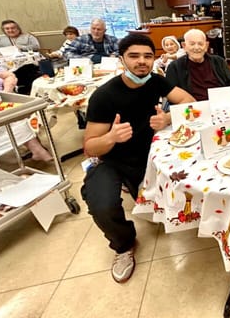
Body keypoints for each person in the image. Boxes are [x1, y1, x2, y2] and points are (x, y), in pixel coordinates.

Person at [81, 33, 195, 283]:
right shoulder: (104, 96)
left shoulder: (156, 81)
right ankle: (123, 246)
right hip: (113, 160)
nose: (141, 61)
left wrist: (168, 118)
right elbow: (90, 147)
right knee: (102, 205)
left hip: (154, 155)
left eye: (147, 56)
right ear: (121, 59)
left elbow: (189, 102)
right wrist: (111, 137)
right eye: (134, 56)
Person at [0, 58, 52, 168]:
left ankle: (37, 150)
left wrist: (6, 94)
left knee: (15, 114)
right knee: (5, 116)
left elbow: (9, 76)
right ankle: (37, 150)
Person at [165, 29, 230, 101]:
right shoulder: (174, 67)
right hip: (192, 108)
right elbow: (172, 97)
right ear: (184, 46)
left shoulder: (218, 61)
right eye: (192, 44)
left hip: (220, 103)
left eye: (200, 44)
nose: (196, 48)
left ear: (206, 46)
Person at [0, 20, 41, 95]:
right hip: (6, 61)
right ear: (4, 30)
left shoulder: (28, 36)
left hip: (26, 62)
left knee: (27, 68)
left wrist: (21, 47)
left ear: (18, 28)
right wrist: (3, 53)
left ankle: (26, 87)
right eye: (7, 29)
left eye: (13, 28)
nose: (10, 30)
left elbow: (36, 47)